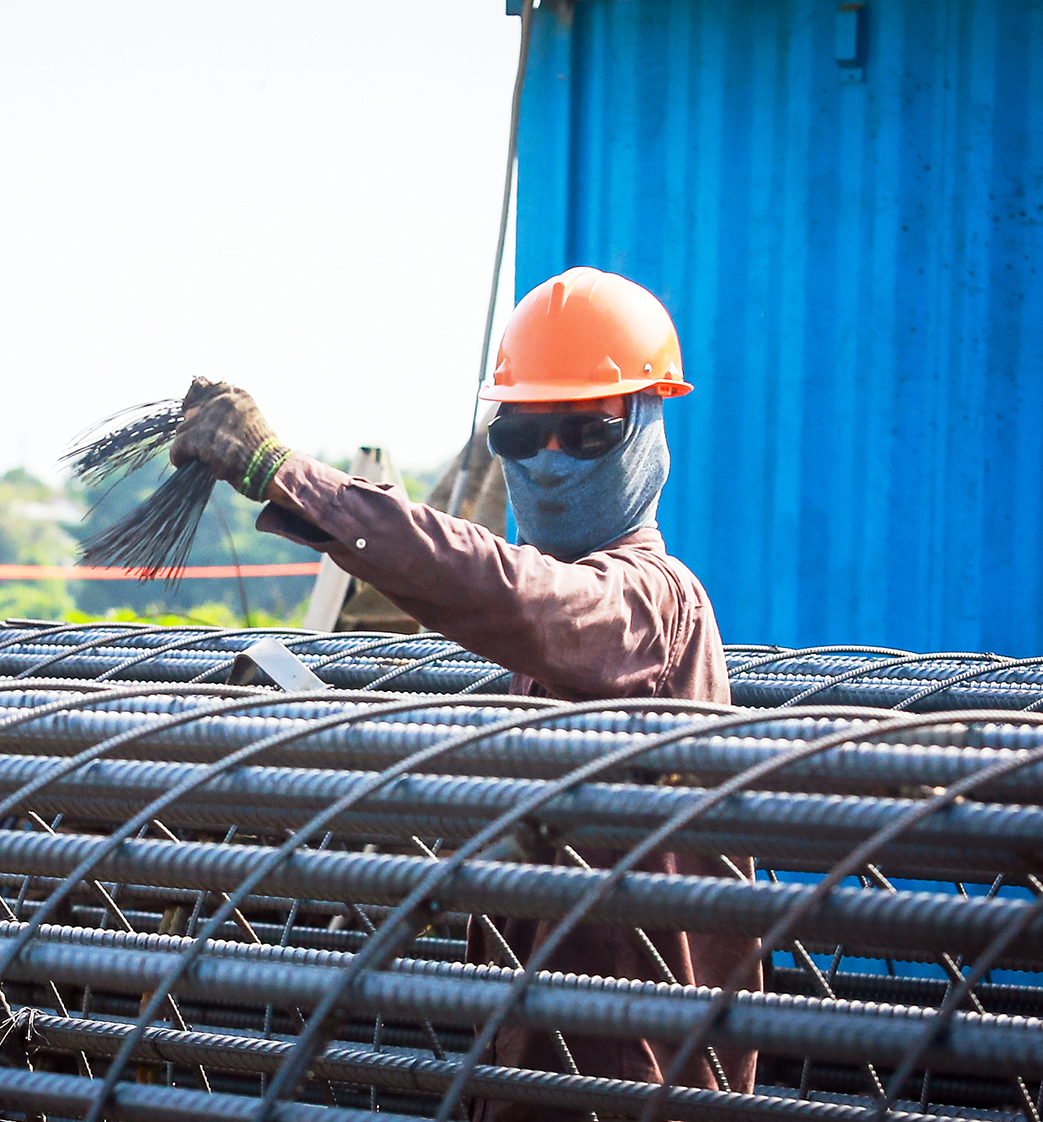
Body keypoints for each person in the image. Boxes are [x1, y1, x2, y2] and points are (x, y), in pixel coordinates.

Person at [168, 266, 757, 1119]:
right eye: (522, 434)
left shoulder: (649, 602)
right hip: (529, 1076)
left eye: (586, 431)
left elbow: (513, 593)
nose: (550, 461)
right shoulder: (540, 646)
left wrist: (284, 473)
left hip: (638, 1091)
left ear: (647, 429)